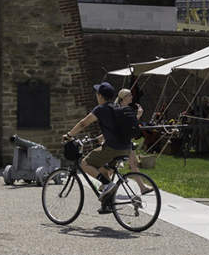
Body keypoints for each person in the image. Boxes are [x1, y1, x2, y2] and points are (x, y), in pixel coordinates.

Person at [63, 81, 132, 214]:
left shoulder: (100, 109)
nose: (96, 96)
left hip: (112, 148)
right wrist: (102, 136)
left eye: (97, 93)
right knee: (102, 169)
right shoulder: (116, 107)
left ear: (100, 96)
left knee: (85, 163)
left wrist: (69, 135)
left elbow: (83, 123)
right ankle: (107, 205)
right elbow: (116, 128)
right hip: (126, 147)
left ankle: (107, 185)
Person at [114, 88, 152, 194]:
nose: (132, 97)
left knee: (133, 163)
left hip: (126, 141)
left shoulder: (124, 108)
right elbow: (131, 125)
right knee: (113, 166)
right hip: (122, 142)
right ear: (124, 97)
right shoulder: (122, 110)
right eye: (130, 95)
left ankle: (142, 188)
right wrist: (139, 115)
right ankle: (106, 184)